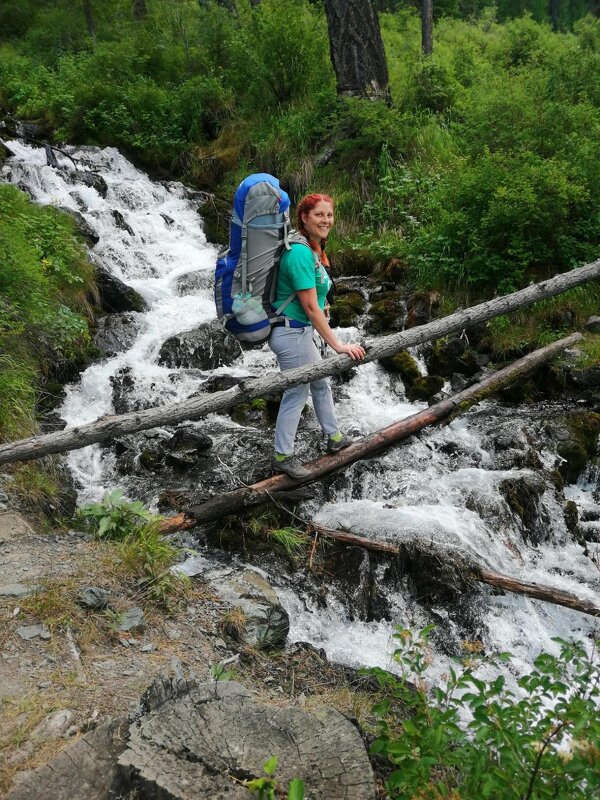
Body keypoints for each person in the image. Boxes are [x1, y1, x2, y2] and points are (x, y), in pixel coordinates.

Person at [269, 193, 365, 479]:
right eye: (319, 215)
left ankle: (334, 437)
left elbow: (312, 300)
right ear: (304, 218)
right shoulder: (299, 252)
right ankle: (282, 455)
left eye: (329, 215)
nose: (326, 220)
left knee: (320, 383)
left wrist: (322, 303)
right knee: (297, 390)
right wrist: (337, 345)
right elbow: (310, 308)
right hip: (291, 333)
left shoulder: (310, 249)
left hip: (299, 331)